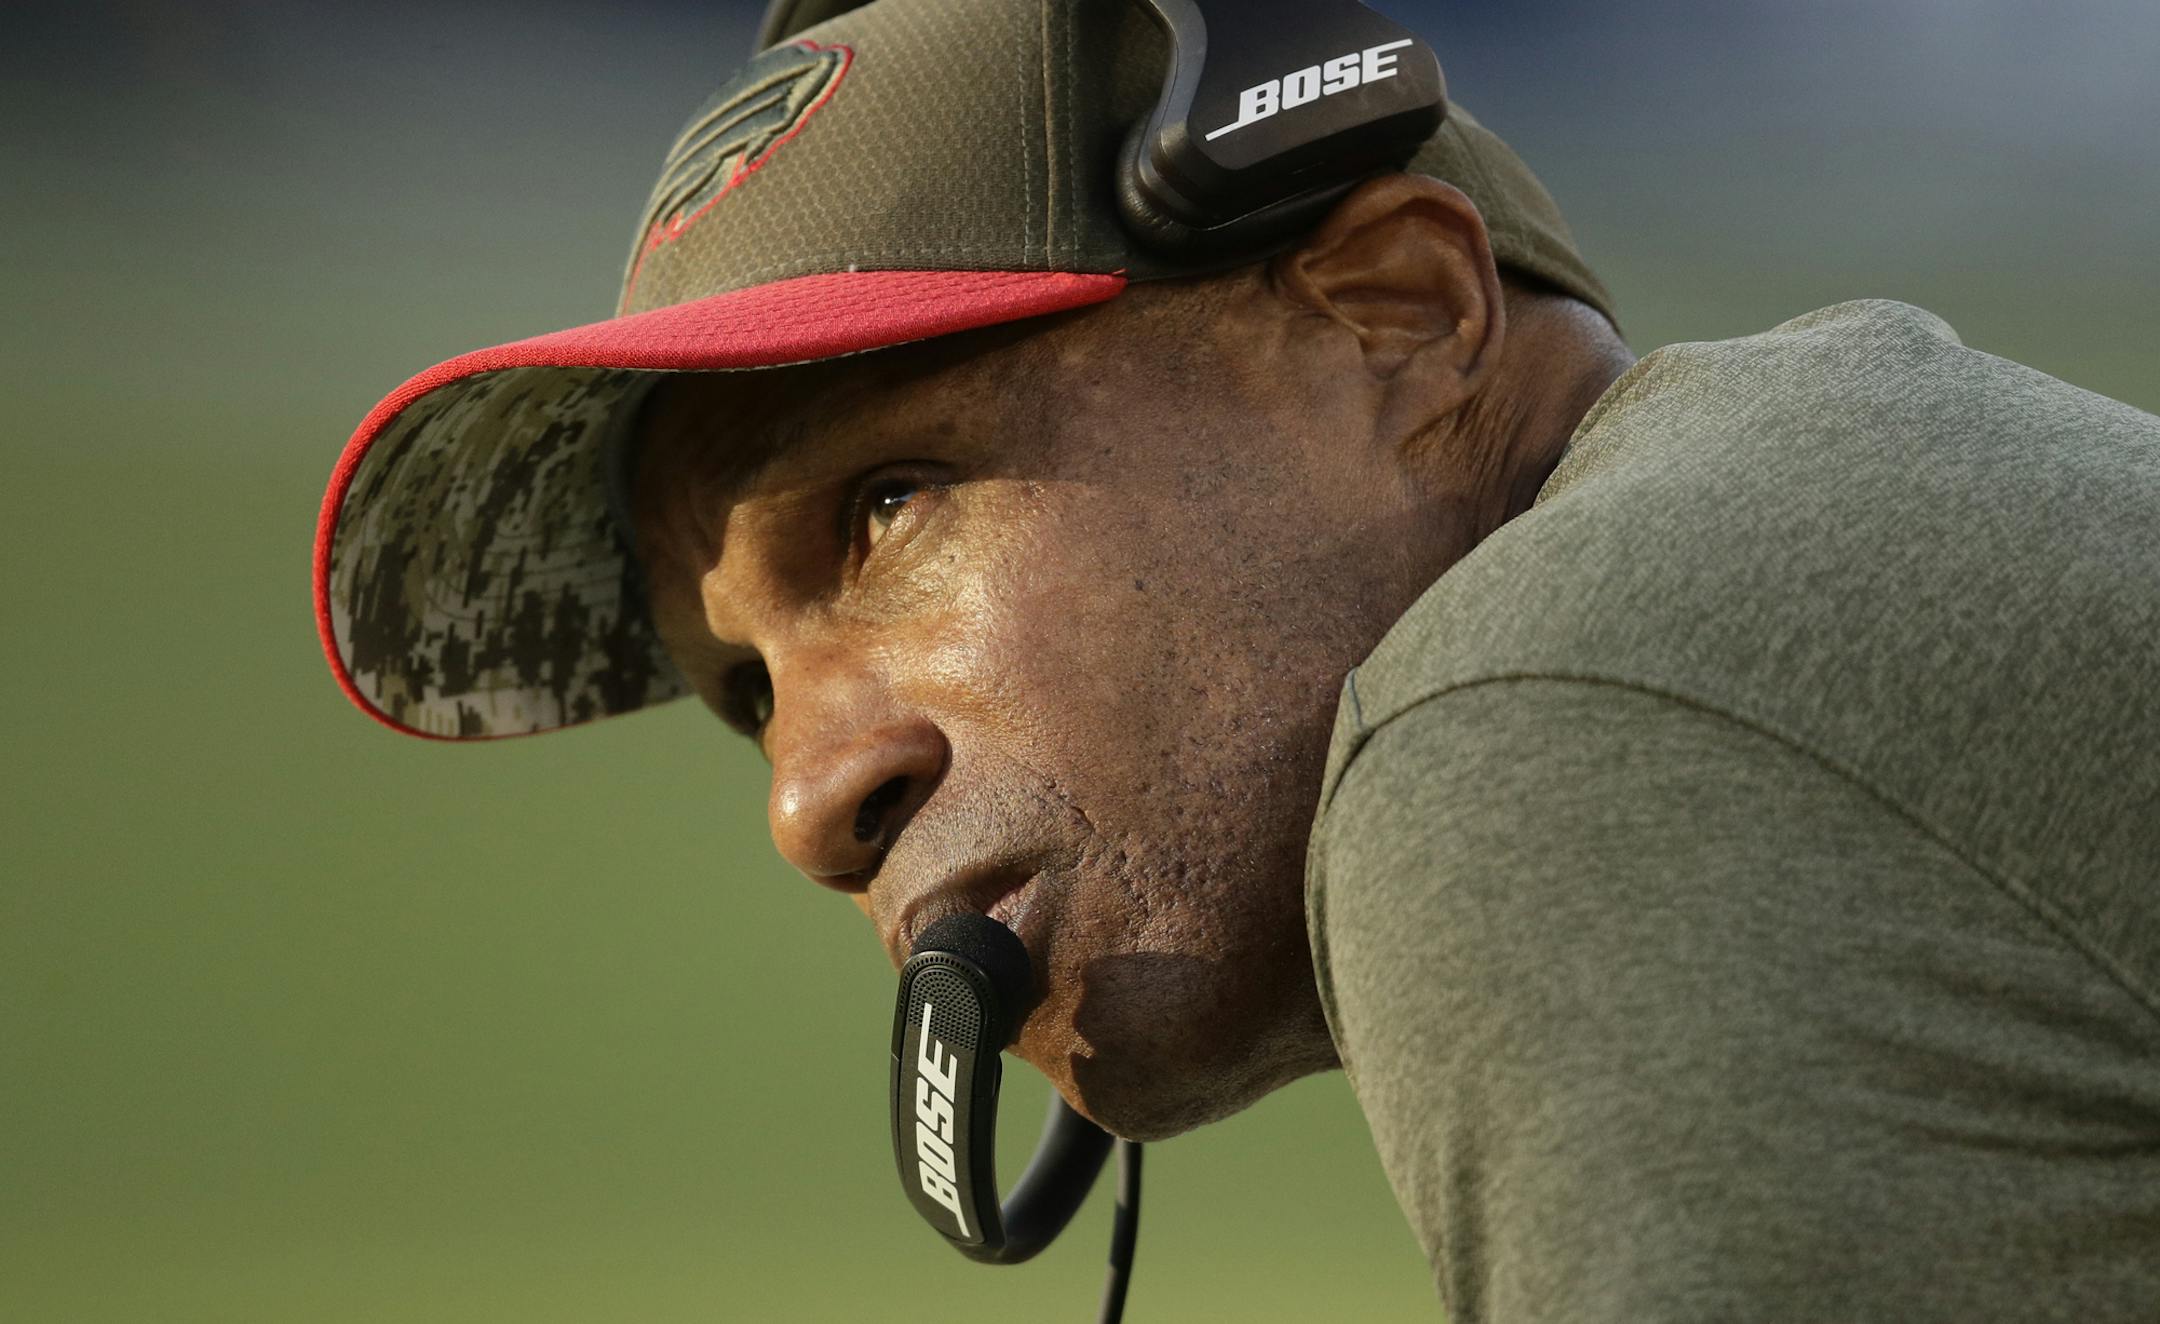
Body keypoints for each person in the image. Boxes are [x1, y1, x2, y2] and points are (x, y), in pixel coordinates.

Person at [313, 0, 2160, 1317]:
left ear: (1400, 314)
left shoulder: (1554, 716)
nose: (807, 800)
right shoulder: (1791, 552)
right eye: (747, 696)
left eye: (885, 508)